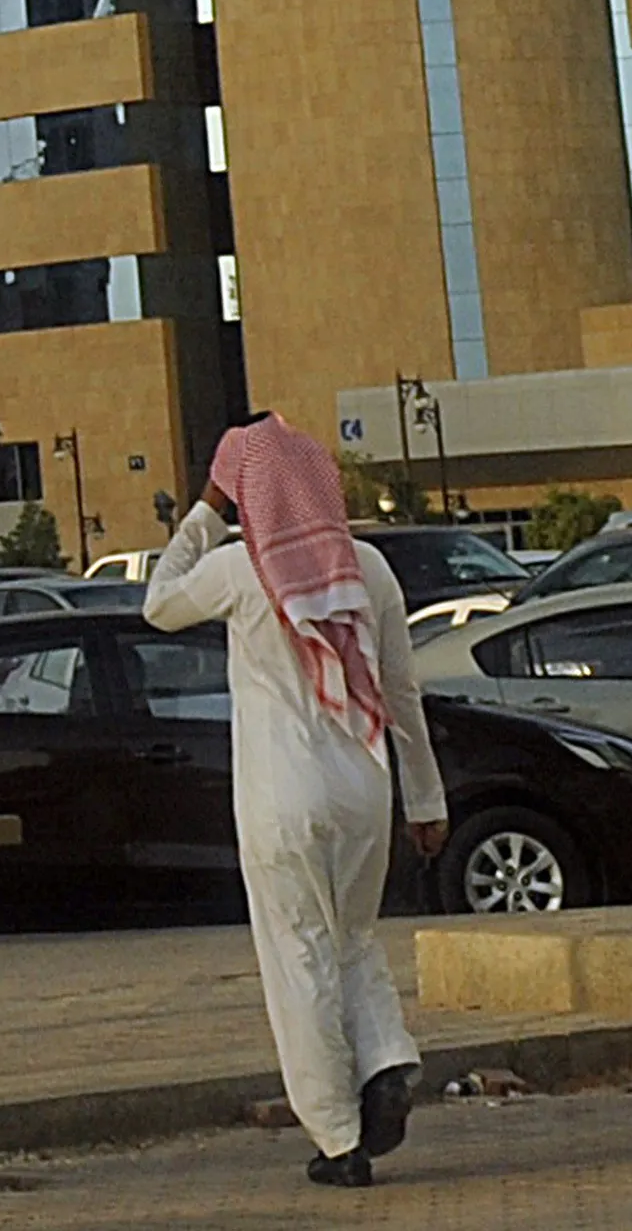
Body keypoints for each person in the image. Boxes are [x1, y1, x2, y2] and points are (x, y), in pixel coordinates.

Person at [145, 413, 449, 1190]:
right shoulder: (369, 568)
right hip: (364, 787)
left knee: (299, 956)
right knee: (352, 939)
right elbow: (402, 694)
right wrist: (425, 800)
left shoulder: (242, 570)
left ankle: (339, 1141)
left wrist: (208, 507)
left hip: (283, 793)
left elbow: (158, 601)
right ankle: (387, 1061)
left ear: (250, 494)